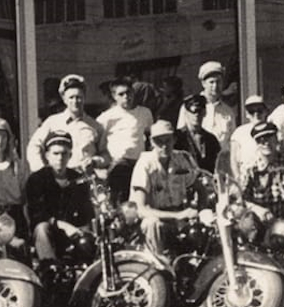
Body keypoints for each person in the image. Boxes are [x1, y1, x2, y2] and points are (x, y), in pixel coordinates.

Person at [129, 120, 204, 249]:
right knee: (152, 224)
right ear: (152, 142)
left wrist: (201, 210)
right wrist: (178, 215)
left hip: (179, 215)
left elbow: (201, 189)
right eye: (159, 141)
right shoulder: (145, 164)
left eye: (167, 140)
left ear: (174, 139)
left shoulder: (181, 159)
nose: (164, 146)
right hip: (156, 217)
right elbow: (142, 209)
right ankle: (158, 265)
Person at [25, 133, 96, 262]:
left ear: (70, 155)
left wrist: (84, 231)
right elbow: (37, 214)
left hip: (74, 232)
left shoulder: (78, 179)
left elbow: (86, 213)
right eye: (55, 154)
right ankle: (50, 273)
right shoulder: (37, 179)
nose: (60, 158)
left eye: (64, 153)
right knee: (42, 229)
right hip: (49, 233)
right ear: (47, 156)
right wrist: (64, 226)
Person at [26, 76, 105, 173]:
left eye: (79, 97)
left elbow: (106, 154)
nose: (75, 101)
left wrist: (94, 161)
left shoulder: (95, 126)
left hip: (84, 179)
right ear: (64, 99)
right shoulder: (52, 122)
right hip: (59, 179)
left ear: (84, 97)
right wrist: (41, 171)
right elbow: (34, 145)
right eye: (71, 97)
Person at [178, 61, 239, 169]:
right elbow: (182, 137)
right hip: (193, 166)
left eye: (218, 82)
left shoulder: (228, 112)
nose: (215, 86)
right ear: (203, 83)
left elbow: (232, 143)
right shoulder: (189, 107)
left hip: (219, 166)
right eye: (211, 82)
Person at [97, 78, 154, 176]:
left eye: (129, 92)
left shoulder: (145, 113)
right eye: (121, 94)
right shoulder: (106, 117)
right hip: (117, 164)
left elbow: (150, 135)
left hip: (139, 163)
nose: (126, 97)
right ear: (114, 96)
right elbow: (99, 143)